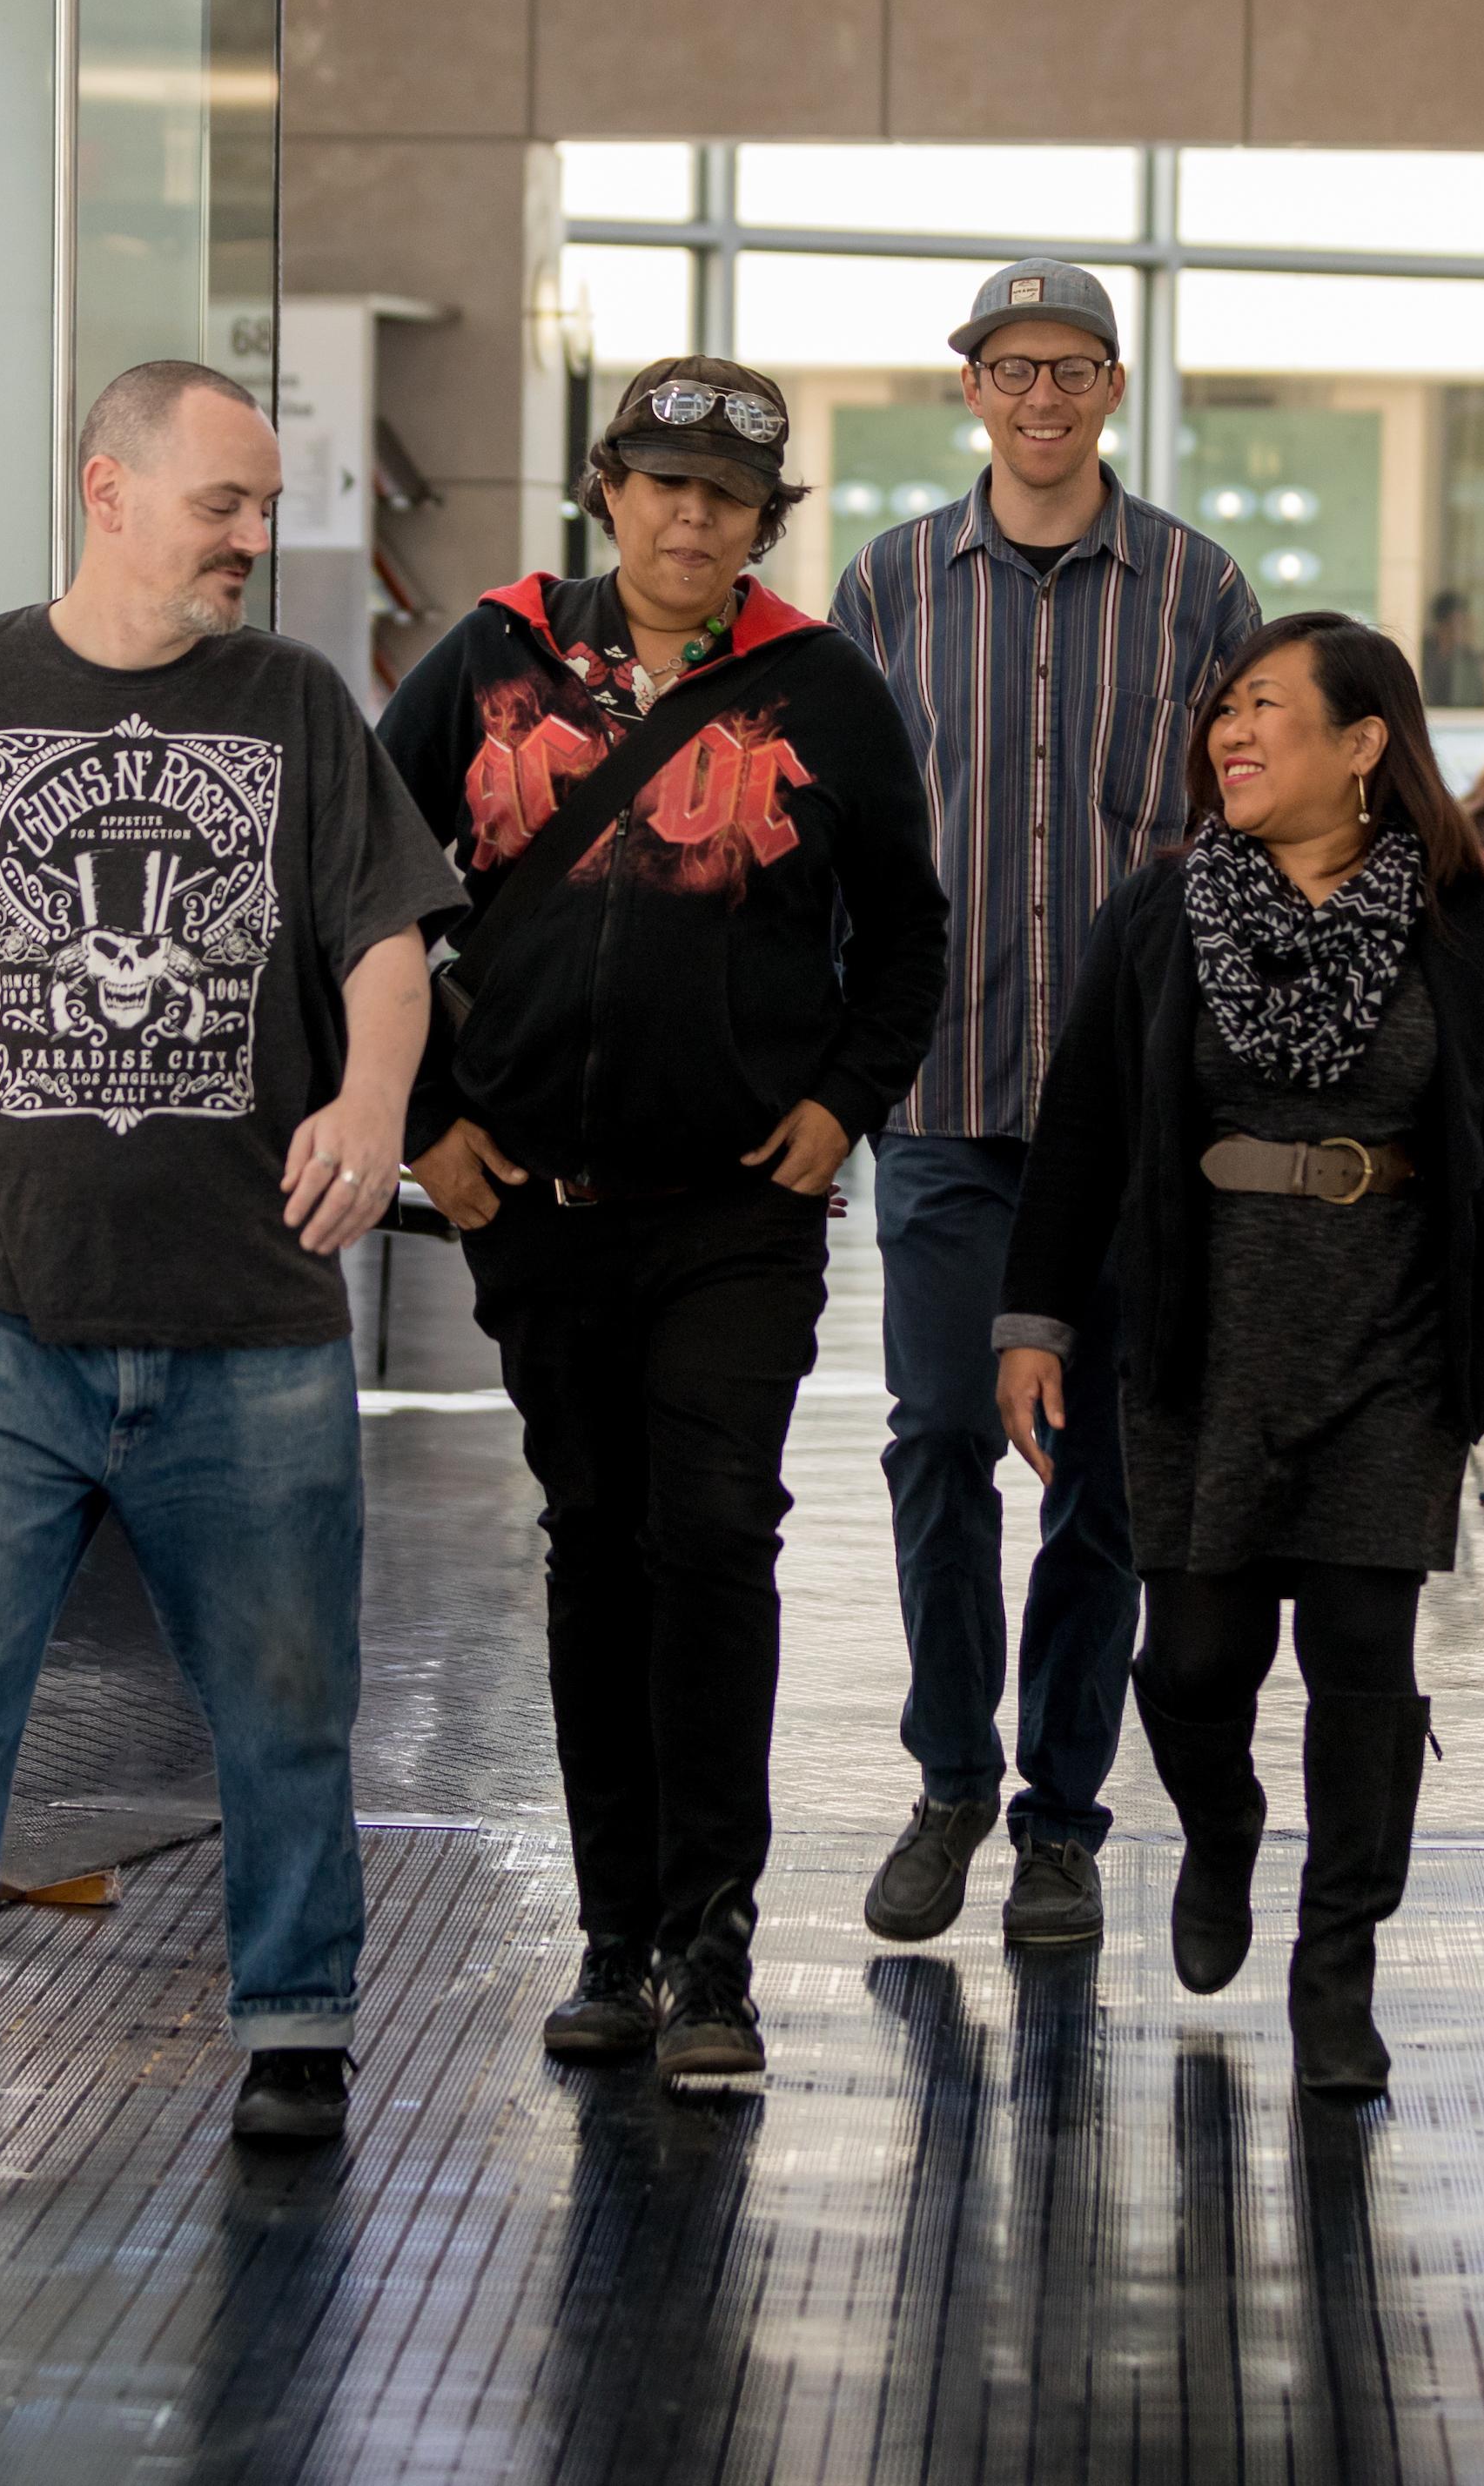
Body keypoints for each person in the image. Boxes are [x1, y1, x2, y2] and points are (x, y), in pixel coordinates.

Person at [0, 359, 463, 2214]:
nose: (257, 537)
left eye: (265, 507)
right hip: (6, 1307)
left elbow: (388, 948)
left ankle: (296, 2014)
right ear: (107, 489)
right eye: (224, 503)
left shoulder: (298, 707)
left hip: (247, 1312)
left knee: (283, 1690)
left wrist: (373, 1091)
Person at [383, 356, 946, 2086]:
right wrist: (428, 1130)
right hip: (535, 1207)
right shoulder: (481, 662)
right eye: (661, 481)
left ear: (763, 522)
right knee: (595, 1537)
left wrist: (841, 1102)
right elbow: (355, 902)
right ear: (605, 492)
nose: (689, 512)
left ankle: (713, 1947)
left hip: (734, 1212)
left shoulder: (826, 687)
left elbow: (908, 934)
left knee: (710, 1531)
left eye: (726, 493)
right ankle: (611, 1936)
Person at [994, 615, 1484, 2098]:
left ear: (1363, 743)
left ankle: (1339, 1972)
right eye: (1223, 712)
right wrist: (1033, 1317)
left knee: (1358, 1658)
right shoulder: (1158, 912)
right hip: (1204, 1332)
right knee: (1193, 1654)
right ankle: (1218, 1826)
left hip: (1392, 1331)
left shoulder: (1457, 919)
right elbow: (1080, 1127)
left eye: (1266, 709)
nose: (1229, 736)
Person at [830, 258, 1258, 1953]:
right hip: (939, 1096)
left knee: (1108, 1481)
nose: (1039, 395)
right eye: (1010, 367)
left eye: (1069, 366)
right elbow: (838, 832)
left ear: (1110, 385)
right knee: (939, 1438)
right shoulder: (881, 586)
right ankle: (950, 1774)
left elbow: (1241, 829)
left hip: (1135, 1121)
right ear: (972, 391)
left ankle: (1061, 1819)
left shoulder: (1196, 589)